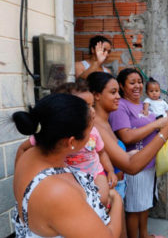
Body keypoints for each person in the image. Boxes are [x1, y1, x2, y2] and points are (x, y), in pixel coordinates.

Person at [12, 93, 123, 237]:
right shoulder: (58, 193)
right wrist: (116, 199)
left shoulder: (28, 156)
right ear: (71, 142)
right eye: (90, 129)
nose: (92, 134)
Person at [87, 72, 168, 238]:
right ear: (96, 95)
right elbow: (130, 166)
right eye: (113, 92)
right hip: (108, 197)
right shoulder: (97, 127)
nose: (118, 97)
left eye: (117, 92)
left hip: (117, 193)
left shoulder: (105, 123)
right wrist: (164, 134)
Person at [15, 80, 118, 207]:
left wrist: (111, 171)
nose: (91, 111)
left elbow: (101, 152)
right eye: (84, 105)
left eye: (92, 105)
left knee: (102, 199)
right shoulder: (51, 135)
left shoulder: (94, 132)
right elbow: (23, 148)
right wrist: (20, 178)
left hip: (95, 172)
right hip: (72, 177)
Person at [107, 68, 168, 238]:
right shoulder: (120, 106)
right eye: (132, 82)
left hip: (148, 163)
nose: (138, 86)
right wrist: (156, 126)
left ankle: (144, 235)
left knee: (144, 205)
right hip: (133, 165)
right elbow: (126, 136)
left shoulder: (143, 104)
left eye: (139, 82)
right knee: (134, 209)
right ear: (121, 85)